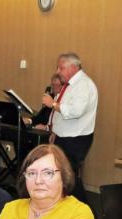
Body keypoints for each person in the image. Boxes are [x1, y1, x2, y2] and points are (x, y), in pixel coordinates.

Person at [41, 52, 98, 202]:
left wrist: (52, 104)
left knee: (68, 175)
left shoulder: (84, 85)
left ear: (72, 67)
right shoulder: (70, 85)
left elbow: (75, 112)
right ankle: (69, 207)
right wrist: (54, 130)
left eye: (61, 68)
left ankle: (86, 209)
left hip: (75, 138)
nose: (58, 71)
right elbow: (60, 113)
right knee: (64, 174)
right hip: (64, 136)